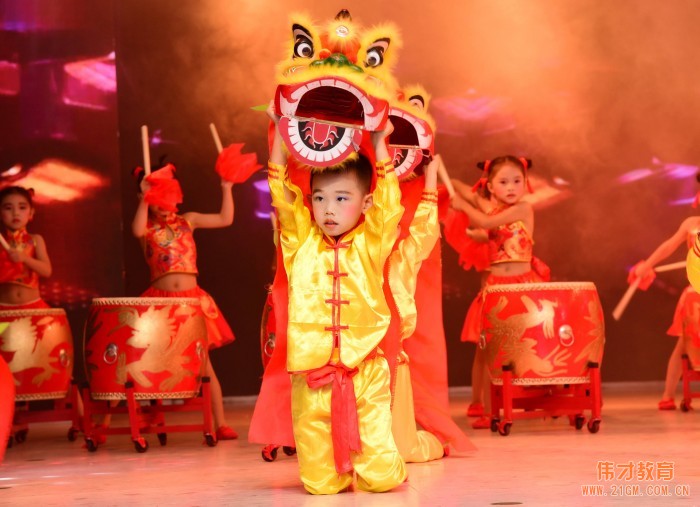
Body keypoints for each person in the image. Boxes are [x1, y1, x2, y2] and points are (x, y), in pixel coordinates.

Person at [267, 103, 407, 495]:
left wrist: (380, 143)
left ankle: (387, 457)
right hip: (312, 375)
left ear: (364, 204)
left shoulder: (372, 241)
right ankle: (335, 468)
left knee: (382, 479)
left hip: (365, 371)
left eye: (342, 198)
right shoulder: (300, 242)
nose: (328, 210)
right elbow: (280, 193)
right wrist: (280, 134)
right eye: (319, 199)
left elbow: (390, 204)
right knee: (320, 486)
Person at [131, 162, 238, 440]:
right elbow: (136, 231)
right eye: (157, 197)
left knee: (204, 365)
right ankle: (151, 415)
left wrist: (226, 189)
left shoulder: (188, 220)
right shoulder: (147, 229)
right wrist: (144, 197)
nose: (163, 203)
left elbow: (225, 219)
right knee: (154, 363)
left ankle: (221, 422)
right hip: (160, 302)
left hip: (191, 302)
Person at [384, 155, 474, 461]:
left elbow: (424, 227)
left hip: (394, 357)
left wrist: (431, 178)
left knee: (405, 447)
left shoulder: (405, 256)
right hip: (363, 357)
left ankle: (431, 443)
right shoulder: (358, 254)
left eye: (397, 220)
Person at [450, 156, 549, 429]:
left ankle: (532, 396)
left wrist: (465, 208)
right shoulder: (494, 211)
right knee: (485, 349)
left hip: (522, 287)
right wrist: (452, 182)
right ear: (490, 186)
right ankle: (479, 403)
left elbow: (485, 219)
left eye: (517, 181)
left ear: (525, 185)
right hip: (496, 287)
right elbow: (480, 211)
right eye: (504, 182)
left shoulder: (524, 209)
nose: (511, 187)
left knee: (525, 346)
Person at [627, 215, 700, 410]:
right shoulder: (691, 224)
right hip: (696, 298)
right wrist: (647, 265)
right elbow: (668, 246)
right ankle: (668, 395)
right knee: (683, 344)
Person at [0, 186, 52, 308]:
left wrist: (25, 258)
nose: (15, 213)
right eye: (8, 208)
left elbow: (46, 271)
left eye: (22, 207)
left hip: (33, 307)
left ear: (31, 212)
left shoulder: (35, 240)